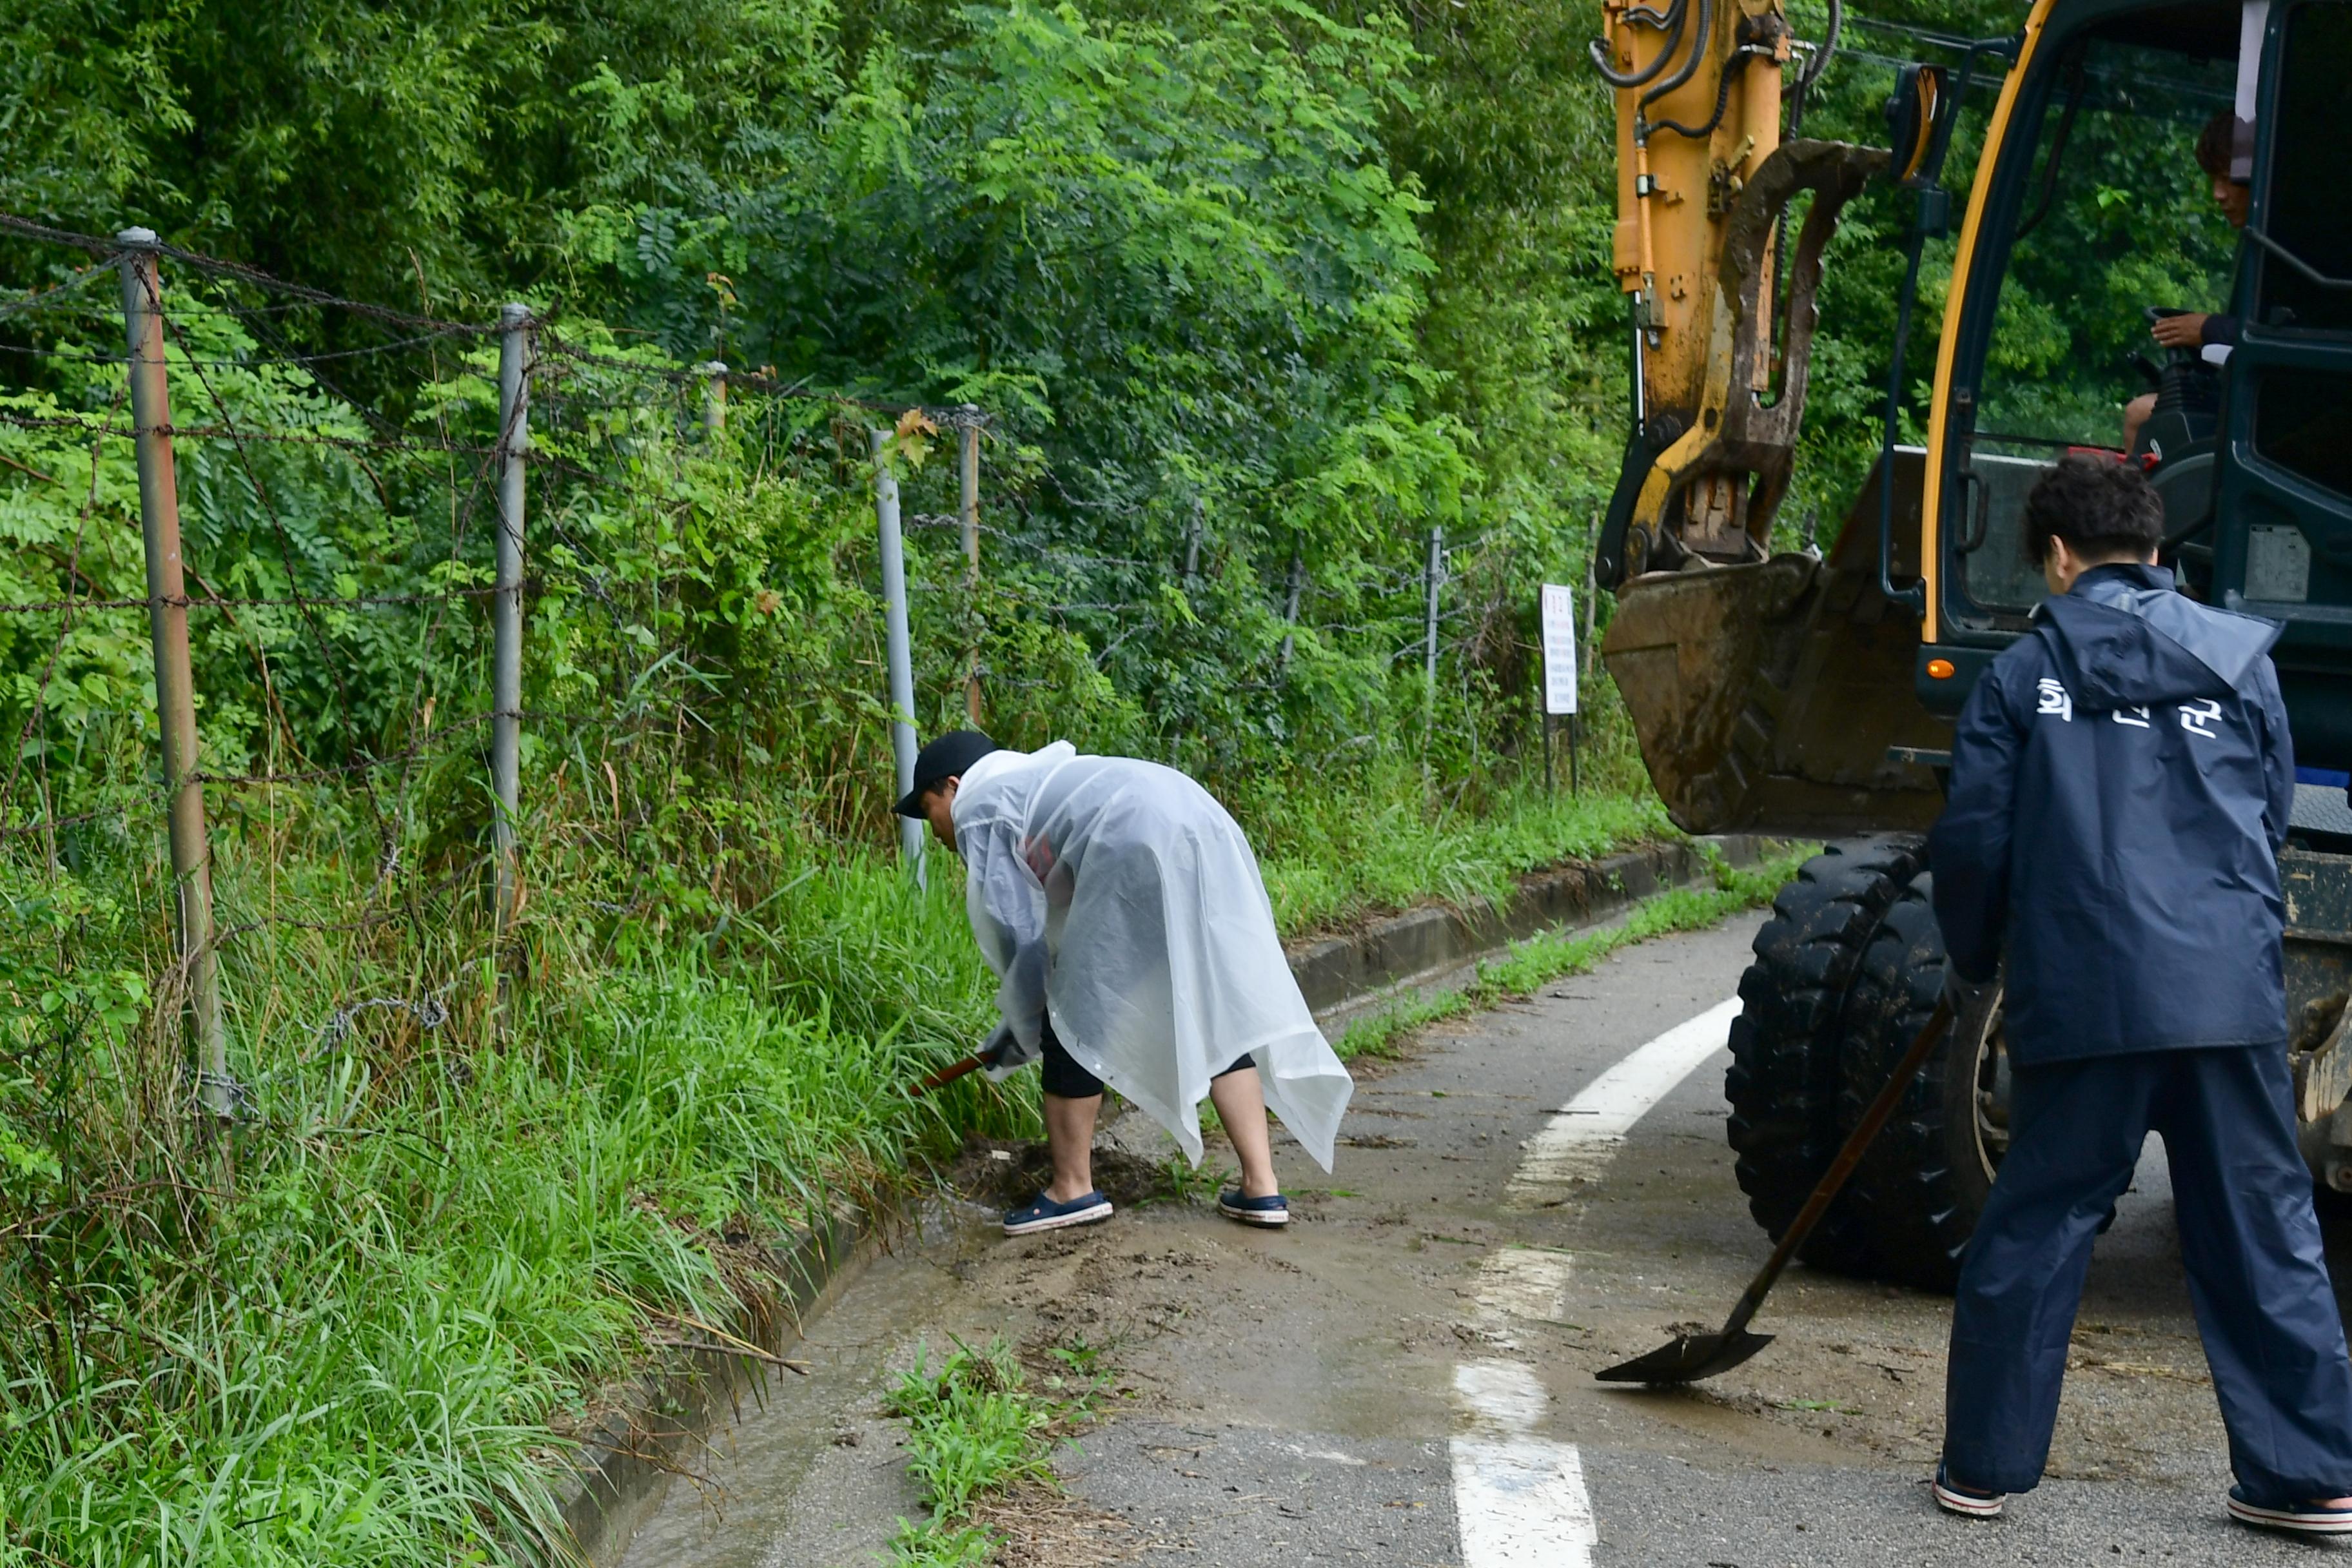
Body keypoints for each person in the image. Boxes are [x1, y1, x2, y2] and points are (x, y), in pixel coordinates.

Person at [1926, 453, 2352, 1535]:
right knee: (2260, 1230)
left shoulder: (2022, 677)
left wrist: (1977, 954)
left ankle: (1980, 1469)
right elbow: (2264, 822)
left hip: (2084, 992)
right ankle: (2306, 1477)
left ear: (2058, 558)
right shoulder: (2240, 661)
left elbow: (1973, 839)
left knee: (2037, 1224)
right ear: (2158, 555)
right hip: (2225, 1000)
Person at [896, 730, 1353, 1237]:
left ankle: (1071, 1189)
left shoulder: (979, 803)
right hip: (1198, 817)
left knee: (1072, 1008)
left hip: (1135, 833)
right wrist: (1025, 1013)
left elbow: (1017, 932)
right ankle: (1261, 1186)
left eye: (927, 806)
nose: (934, 829)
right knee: (1206, 1000)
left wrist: (1027, 1019)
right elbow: (1063, 912)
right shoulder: (1038, 784)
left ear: (953, 786)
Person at [2122, 112, 2251, 453]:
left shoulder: (2281, 250)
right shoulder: (2257, 245)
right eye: (2213, 180)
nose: (2218, 195)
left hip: (2260, 415)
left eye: (2228, 180)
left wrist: (2207, 328)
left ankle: (2132, 507)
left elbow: (2270, 333)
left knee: (2139, 415)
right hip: (2248, 400)